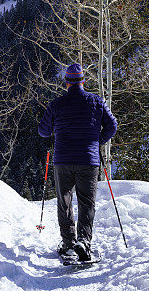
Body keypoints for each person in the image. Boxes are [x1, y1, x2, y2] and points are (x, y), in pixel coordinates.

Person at [38, 63, 117, 262]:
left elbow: (43, 131)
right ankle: (84, 241)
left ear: (66, 83)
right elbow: (112, 125)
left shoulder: (57, 104)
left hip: (63, 159)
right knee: (86, 202)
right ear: (83, 81)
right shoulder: (96, 102)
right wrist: (96, 141)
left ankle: (68, 244)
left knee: (64, 202)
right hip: (88, 160)